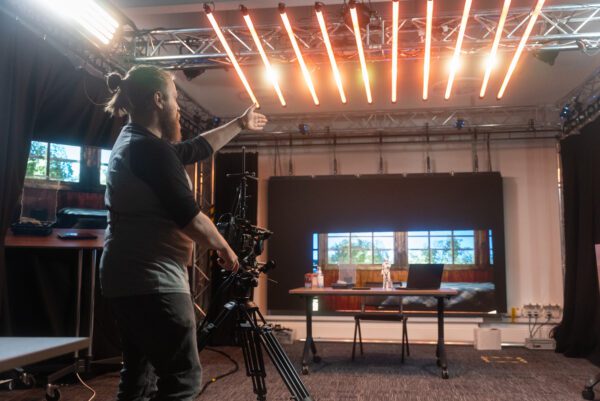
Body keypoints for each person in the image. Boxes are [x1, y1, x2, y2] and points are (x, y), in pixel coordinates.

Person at [100, 65, 267, 401]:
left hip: (127, 277)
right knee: (182, 379)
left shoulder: (135, 143)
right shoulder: (148, 150)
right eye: (176, 99)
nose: (179, 107)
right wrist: (226, 249)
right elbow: (189, 217)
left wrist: (240, 124)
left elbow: (194, 149)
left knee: (137, 375)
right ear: (159, 100)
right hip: (153, 280)